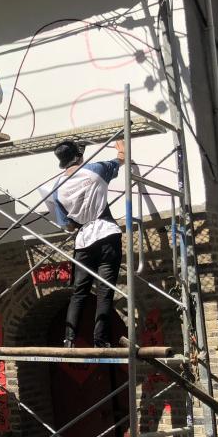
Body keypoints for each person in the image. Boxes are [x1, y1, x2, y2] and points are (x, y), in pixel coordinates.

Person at [46, 138, 126, 348]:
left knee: (79, 292)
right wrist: (121, 148)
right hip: (107, 234)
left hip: (83, 242)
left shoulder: (57, 188)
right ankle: (101, 340)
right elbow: (121, 160)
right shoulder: (96, 170)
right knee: (105, 290)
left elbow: (68, 226)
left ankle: (69, 340)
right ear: (79, 155)